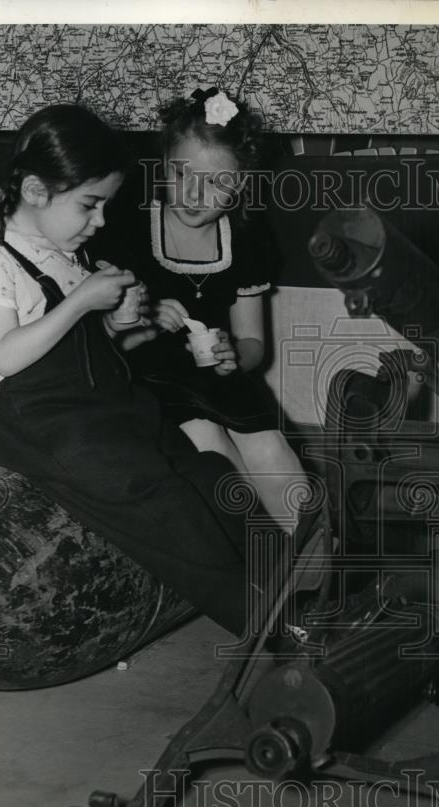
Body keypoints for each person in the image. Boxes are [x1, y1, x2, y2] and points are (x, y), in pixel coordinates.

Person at [0, 103, 262, 638]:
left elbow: (89, 350)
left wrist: (118, 321)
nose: (99, 222)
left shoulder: (62, 250)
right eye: (90, 206)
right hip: (50, 426)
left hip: (107, 406)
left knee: (208, 473)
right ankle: (262, 618)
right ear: (35, 192)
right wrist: (81, 301)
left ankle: (293, 581)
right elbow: (4, 354)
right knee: (164, 501)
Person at [94, 87, 309, 533]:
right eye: (180, 173)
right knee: (213, 451)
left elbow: (253, 344)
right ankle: (260, 559)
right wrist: (145, 317)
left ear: (241, 185)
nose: (194, 193)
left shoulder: (246, 241)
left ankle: (317, 563)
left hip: (222, 383)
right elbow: (100, 335)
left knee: (272, 451)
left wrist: (237, 354)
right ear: (163, 164)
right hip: (152, 385)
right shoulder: (128, 230)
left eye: (216, 183)